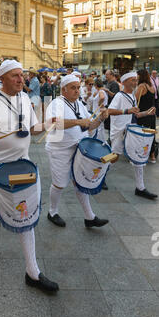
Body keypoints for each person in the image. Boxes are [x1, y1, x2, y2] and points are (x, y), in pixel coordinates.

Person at [0, 59, 59, 293]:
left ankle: (32, 272)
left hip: (23, 164)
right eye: (15, 75)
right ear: (2, 78)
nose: (21, 79)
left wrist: (47, 124)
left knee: (25, 215)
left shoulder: (25, 99)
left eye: (22, 75)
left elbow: (32, 128)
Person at [45, 74, 109, 229]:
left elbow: (89, 125)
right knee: (59, 184)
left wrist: (101, 118)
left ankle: (89, 217)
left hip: (79, 149)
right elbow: (52, 124)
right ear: (63, 89)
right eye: (73, 88)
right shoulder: (55, 103)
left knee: (80, 182)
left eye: (78, 87)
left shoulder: (79, 104)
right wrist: (77, 122)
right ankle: (52, 212)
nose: (77, 91)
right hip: (59, 150)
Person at [108, 72, 157, 200]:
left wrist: (146, 112)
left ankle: (140, 187)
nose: (135, 83)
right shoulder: (119, 96)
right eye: (132, 80)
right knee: (114, 156)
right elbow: (109, 111)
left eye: (136, 80)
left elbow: (135, 114)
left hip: (131, 131)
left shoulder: (134, 97)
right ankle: (100, 173)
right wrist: (126, 111)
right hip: (119, 131)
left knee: (138, 157)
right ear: (124, 82)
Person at [135, 69, 157, 164]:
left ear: (141, 76)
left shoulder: (141, 86)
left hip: (142, 115)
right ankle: (152, 156)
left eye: (137, 75)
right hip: (151, 114)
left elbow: (135, 100)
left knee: (141, 136)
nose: (136, 77)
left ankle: (141, 155)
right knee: (151, 135)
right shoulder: (151, 86)